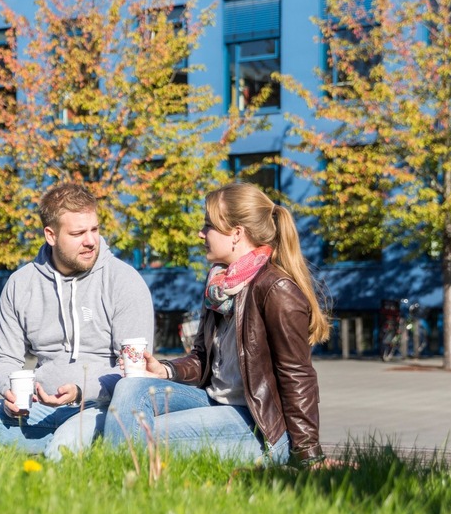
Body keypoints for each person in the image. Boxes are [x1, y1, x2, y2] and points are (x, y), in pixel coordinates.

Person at [103, 181, 330, 466]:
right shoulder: (219, 286)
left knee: (143, 431)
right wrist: (164, 369)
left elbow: (297, 376)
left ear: (236, 233)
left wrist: (309, 455)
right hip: (215, 401)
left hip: (258, 424)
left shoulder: (276, 289)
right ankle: (117, 473)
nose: (201, 233)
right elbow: (202, 359)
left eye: (208, 225)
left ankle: (117, 481)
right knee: (130, 388)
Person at [0, 182, 154, 460]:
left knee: (62, 448)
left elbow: (135, 374)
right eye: (78, 233)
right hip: (38, 410)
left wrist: (80, 392)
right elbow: (4, 356)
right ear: (51, 235)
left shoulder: (124, 281)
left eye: (94, 229)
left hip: (102, 410)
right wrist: (10, 393)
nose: (90, 241)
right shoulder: (21, 283)